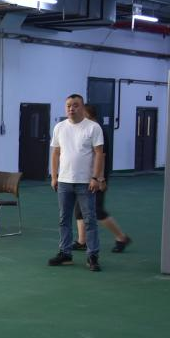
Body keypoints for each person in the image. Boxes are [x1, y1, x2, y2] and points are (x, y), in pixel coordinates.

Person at [48, 93, 105, 272]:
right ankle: (65, 253)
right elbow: (56, 153)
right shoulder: (59, 127)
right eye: (68, 106)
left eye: (75, 105)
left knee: (90, 220)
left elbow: (99, 154)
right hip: (64, 182)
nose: (71, 109)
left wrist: (95, 178)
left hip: (85, 183)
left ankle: (92, 256)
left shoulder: (93, 128)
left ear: (82, 107)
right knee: (64, 219)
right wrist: (54, 176)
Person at [73, 104, 131, 254]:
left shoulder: (98, 130)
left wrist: (100, 179)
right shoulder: (87, 129)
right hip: (85, 177)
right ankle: (82, 241)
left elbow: (101, 156)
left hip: (97, 177)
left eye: (80, 113)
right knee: (79, 210)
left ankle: (122, 238)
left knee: (97, 210)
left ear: (87, 114)